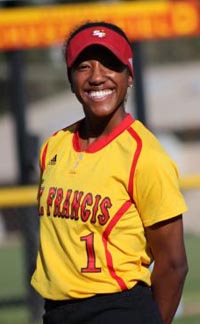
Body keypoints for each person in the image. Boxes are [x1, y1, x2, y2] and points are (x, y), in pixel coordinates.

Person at [31, 21, 188, 324]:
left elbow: (173, 264)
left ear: (129, 76)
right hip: (57, 312)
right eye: (84, 66)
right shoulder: (54, 146)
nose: (97, 76)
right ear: (70, 78)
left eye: (111, 64)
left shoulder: (145, 155)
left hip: (118, 310)